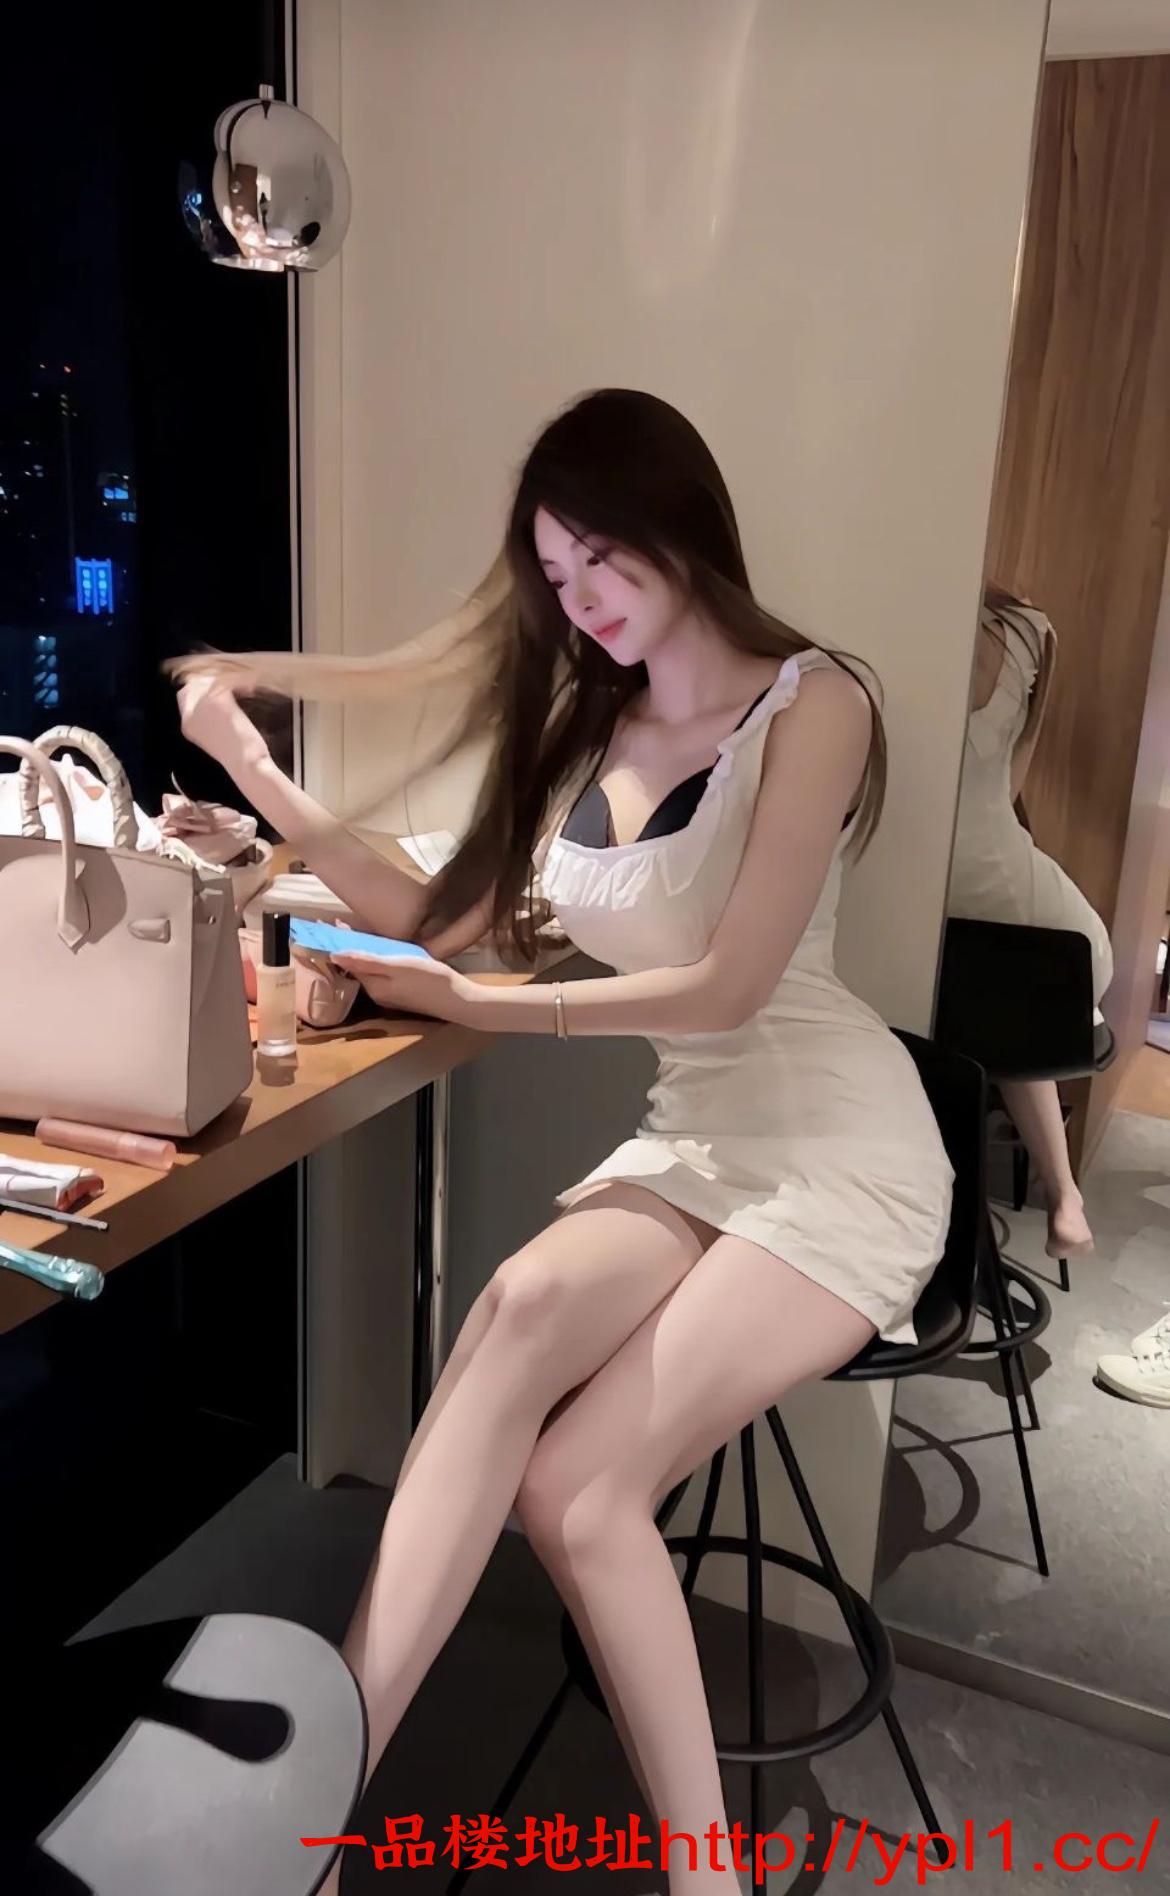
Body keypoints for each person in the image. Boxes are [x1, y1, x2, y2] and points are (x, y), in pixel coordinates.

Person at [171, 387, 954, 1895]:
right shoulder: (587, 722)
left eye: (599, 552)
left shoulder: (816, 703)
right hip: (697, 1141)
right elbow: (438, 914)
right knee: (518, 1304)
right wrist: (255, 779)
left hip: (841, 1154)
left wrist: (488, 1007)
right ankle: (323, 1817)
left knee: (578, 1497)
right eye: (553, 568)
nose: (579, 593)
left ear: (680, 525)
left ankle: (703, 1879)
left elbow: (729, 985)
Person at [946, 586, 1114, 1261]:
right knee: (1009, 1018)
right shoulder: (1028, 630)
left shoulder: (883, 616)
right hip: (1051, 942)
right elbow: (1011, 781)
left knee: (983, 1006)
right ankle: (1064, 1195)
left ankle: (946, 1205)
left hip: (960, 922)